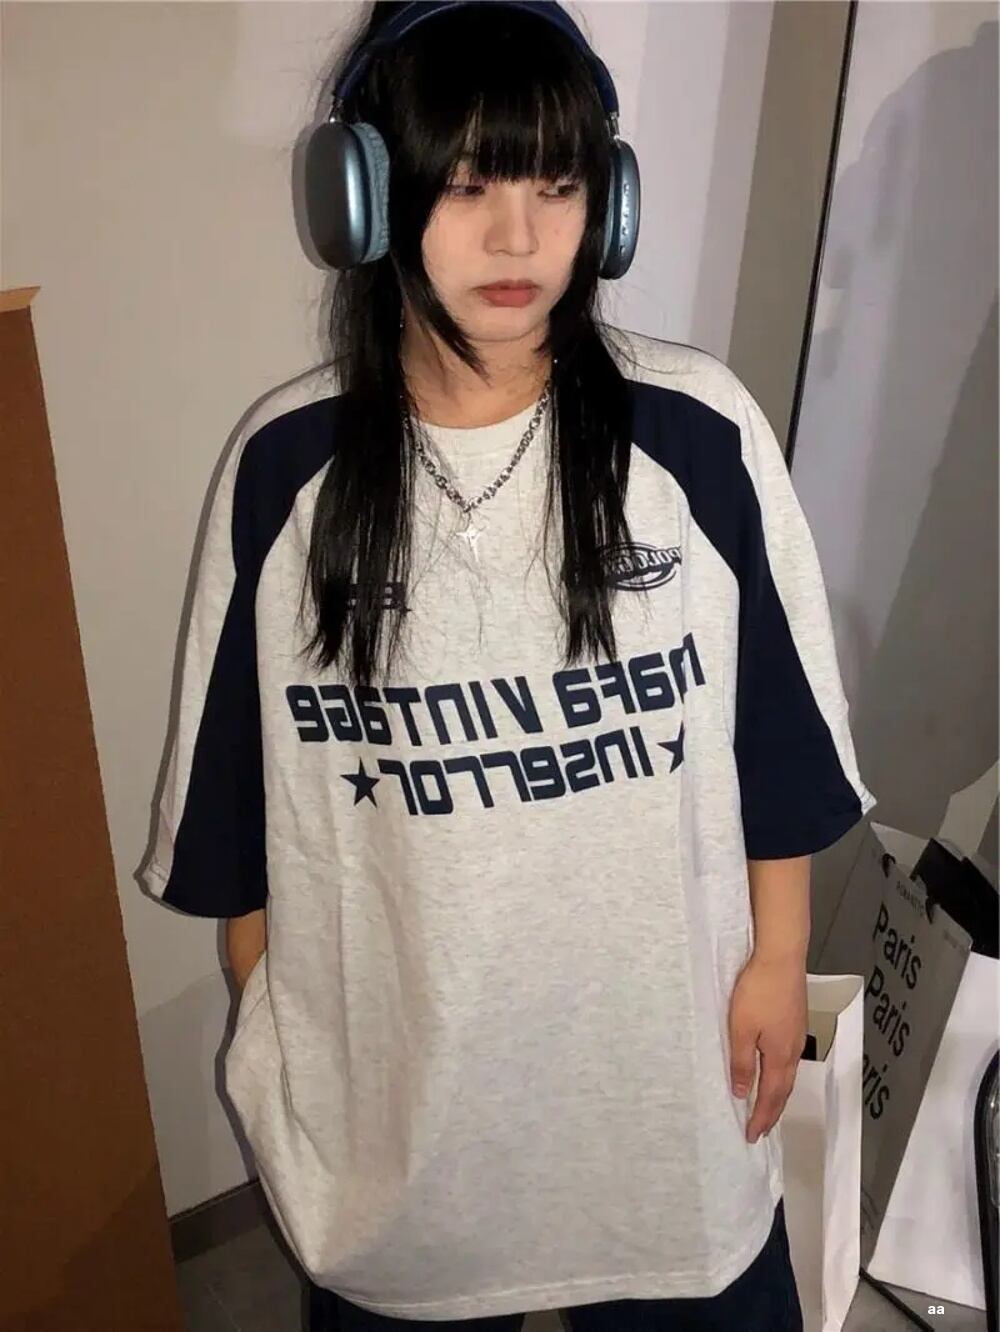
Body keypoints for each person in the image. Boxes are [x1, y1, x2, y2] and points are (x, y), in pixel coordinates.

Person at [139, 2, 876, 1328]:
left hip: (660, 1086)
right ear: (366, 197)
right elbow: (237, 810)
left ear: (611, 202)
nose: (521, 238)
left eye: (557, 184)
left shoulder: (696, 436)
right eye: (468, 185)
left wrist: (778, 958)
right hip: (402, 1109)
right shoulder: (285, 468)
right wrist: (279, 1023)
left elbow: (776, 742)